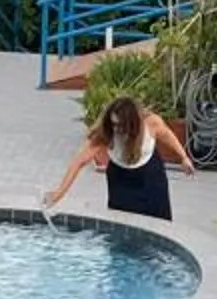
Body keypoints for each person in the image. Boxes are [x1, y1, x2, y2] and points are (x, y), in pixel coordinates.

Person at [46, 94, 195, 222]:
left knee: (158, 221)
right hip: (121, 180)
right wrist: (59, 193)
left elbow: (168, 136)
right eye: (113, 124)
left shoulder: (151, 123)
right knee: (122, 224)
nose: (116, 129)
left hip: (151, 177)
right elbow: (78, 162)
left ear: (133, 124)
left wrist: (183, 157)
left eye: (120, 125)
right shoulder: (105, 133)